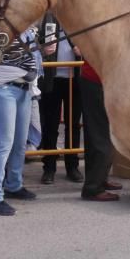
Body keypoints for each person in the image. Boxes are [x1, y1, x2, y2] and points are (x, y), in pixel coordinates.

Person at [0, 26, 42, 216]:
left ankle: (14, 185)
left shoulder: (27, 29)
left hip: (23, 88)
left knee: (19, 143)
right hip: (2, 88)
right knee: (3, 144)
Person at [38, 12, 83, 184]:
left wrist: (81, 51)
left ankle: (72, 166)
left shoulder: (78, 18)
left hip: (74, 78)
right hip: (52, 78)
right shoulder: (47, 17)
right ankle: (49, 167)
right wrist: (43, 49)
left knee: (73, 125)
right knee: (50, 124)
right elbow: (34, 43)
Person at [78, 60, 122, 201]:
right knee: (101, 136)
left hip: (98, 79)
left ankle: (99, 179)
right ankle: (93, 187)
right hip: (97, 79)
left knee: (99, 135)